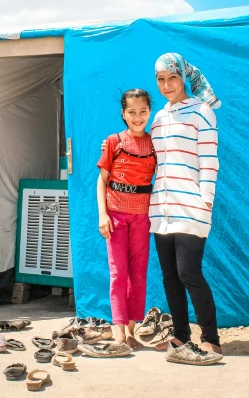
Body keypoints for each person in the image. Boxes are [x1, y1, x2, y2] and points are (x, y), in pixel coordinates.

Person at [150, 52, 223, 366]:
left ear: (183, 76)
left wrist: (205, 201)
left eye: (172, 77)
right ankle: (180, 335)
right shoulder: (159, 116)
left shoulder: (202, 111)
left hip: (191, 206)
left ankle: (211, 338)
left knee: (188, 273)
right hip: (161, 209)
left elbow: (209, 160)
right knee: (170, 278)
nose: (167, 85)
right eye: (161, 79)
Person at [96, 88, 156, 351]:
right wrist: (102, 215)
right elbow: (102, 181)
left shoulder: (156, 144)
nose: (138, 116)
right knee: (118, 274)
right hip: (116, 217)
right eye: (132, 112)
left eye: (143, 111)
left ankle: (132, 331)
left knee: (138, 274)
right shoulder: (113, 142)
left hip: (143, 217)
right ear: (123, 114)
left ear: (149, 112)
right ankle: (118, 331)